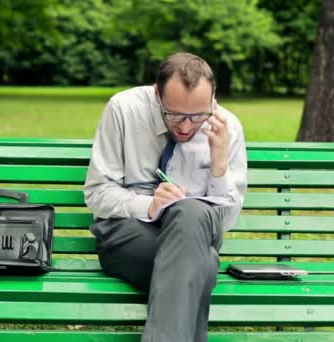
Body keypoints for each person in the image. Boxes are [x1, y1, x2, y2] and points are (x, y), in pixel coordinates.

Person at [83, 52, 247, 342]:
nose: (185, 126)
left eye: (197, 116)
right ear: (157, 93)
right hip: (127, 234)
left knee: (191, 213)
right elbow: (98, 192)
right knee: (204, 266)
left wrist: (219, 163)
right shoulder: (124, 109)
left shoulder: (227, 128)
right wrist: (150, 205)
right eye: (174, 115)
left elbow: (224, 222)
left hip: (194, 234)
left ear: (213, 97)